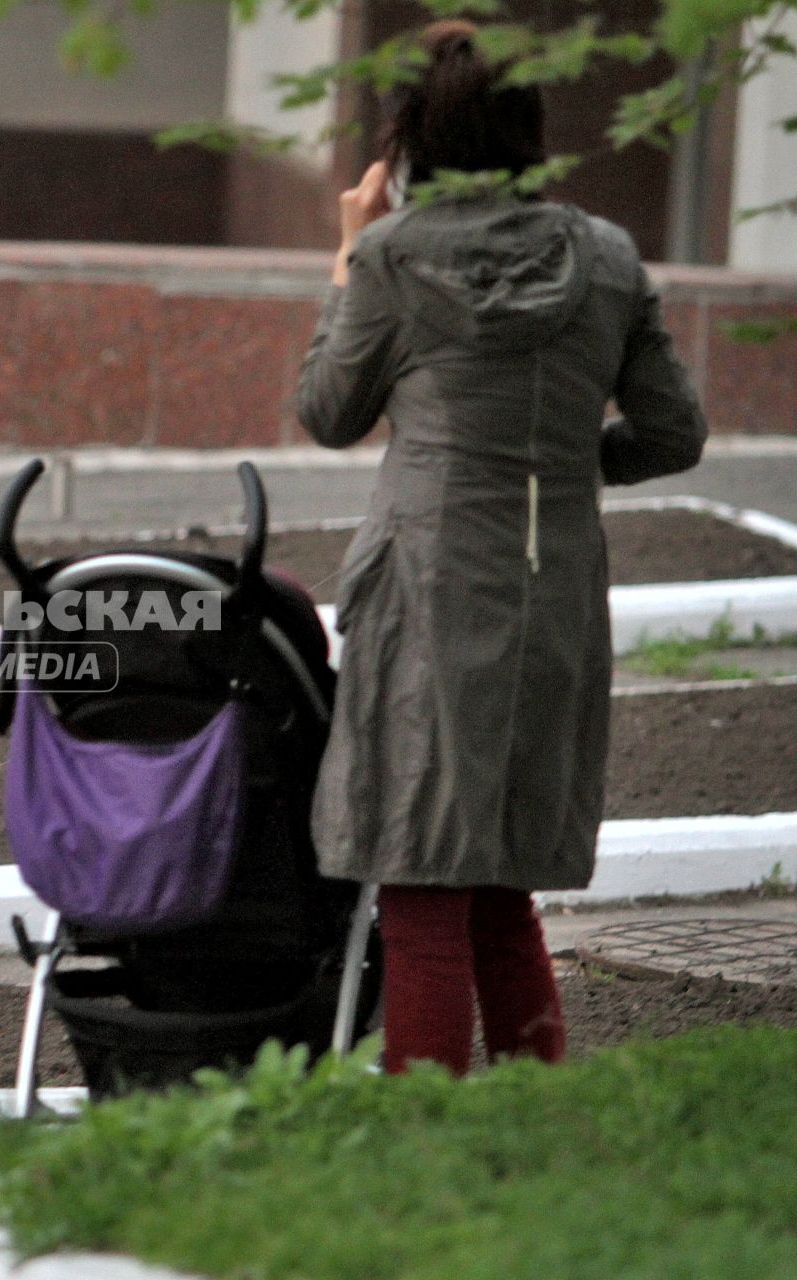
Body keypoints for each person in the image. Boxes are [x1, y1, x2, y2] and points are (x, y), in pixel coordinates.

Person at [297, 20, 706, 1075]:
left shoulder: (391, 258)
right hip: (555, 586)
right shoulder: (607, 257)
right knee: (499, 880)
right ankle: (541, 1120)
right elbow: (674, 433)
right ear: (531, 131)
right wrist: (567, 466)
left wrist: (347, 247)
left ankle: (421, 1150)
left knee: (424, 880)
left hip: (429, 586)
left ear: (412, 139)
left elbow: (330, 411)